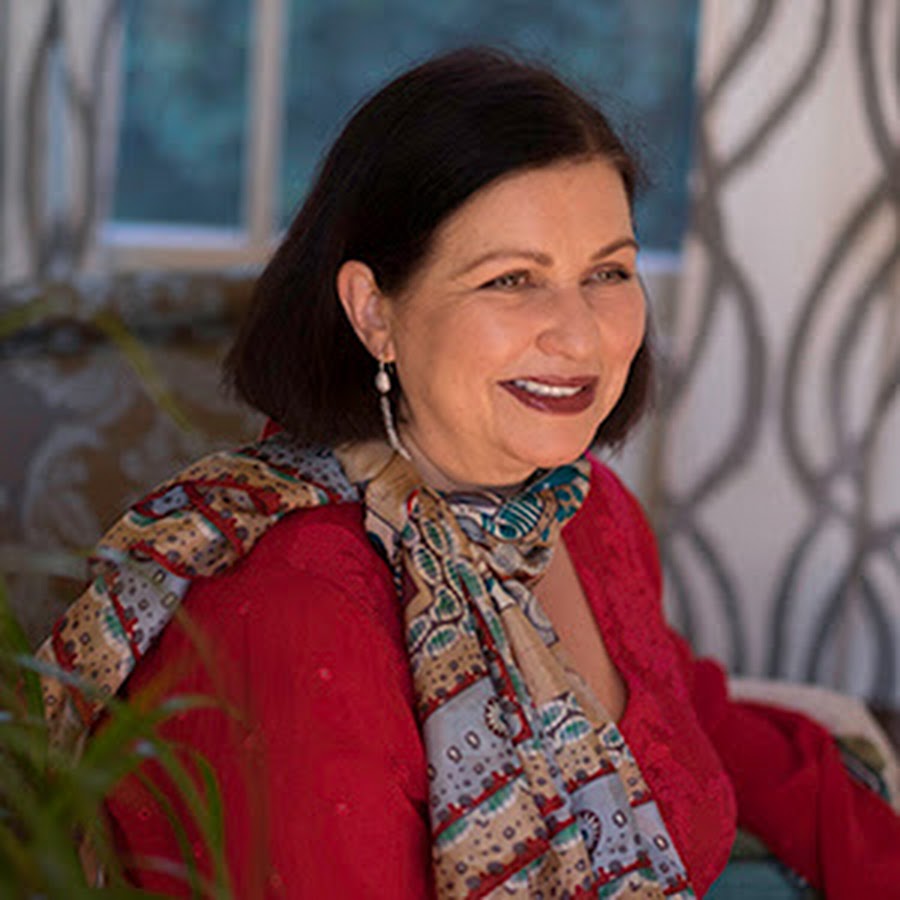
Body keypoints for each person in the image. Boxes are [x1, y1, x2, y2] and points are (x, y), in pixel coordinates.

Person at [38, 48, 900, 898]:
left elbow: (694, 722)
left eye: (608, 272)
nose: (580, 334)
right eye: (511, 279)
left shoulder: (584, 511)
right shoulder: (298, 612)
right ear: (375, 312)